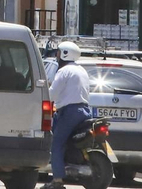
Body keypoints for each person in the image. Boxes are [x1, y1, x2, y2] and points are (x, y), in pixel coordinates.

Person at [47, 41, 93, 189]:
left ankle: (58, 181)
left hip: (69, 112)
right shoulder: (81, 70)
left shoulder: (64, 71)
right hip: (85, 110)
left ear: (65, 54)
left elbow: (52, 93)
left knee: (57, 144)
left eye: (59, 53)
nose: (57, 56)